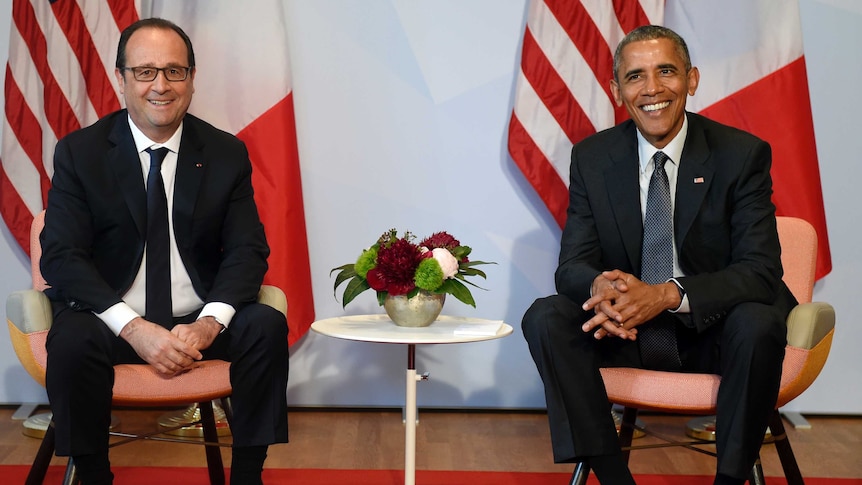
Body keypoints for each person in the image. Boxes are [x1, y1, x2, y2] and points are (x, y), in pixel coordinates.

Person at [522, 25, 797, 485]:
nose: (652, 89)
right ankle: (613, 478)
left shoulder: (741, 154)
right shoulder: (592, 157)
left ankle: (730, 480)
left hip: (711, 332)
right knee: (546, 317)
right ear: (616, 90)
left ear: (691, 79)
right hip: (624, 330)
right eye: (635, 77)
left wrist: (668, 294)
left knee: (759, 321)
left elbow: (761, 271)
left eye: (666, 71)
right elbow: (571, 266)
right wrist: (600, 287)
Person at [39, 18, 289, 485]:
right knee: (71, 340)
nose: (161, 85)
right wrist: (134, 328)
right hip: (111, 321)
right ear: (122, 79)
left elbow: (246, 250)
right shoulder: (81, 153)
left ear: (192, 80)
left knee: (265, 326)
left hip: (196, 319)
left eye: (174, 72)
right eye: (145, 71)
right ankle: (94, 476)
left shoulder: (224, 152)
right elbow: (60, 255)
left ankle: (248, 476)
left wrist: (209, 323)